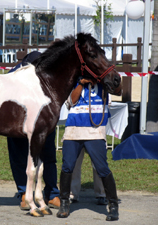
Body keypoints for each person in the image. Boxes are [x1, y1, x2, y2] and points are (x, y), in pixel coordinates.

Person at [57, 77, 119, 221]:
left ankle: (113, 205)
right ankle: (64, 203)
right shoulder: (74, 79)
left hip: (95, 130)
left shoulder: (104, 80)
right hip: (74, 129)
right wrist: (81, 83)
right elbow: (71, 101)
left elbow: (119, 90)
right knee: (67, 166)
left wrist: (111, 79)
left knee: (101, 167)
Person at [7, 51, 60, 210]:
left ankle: (51, 193)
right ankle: (23, 192)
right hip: (18, 122)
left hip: (43, 122)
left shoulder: (49, 73)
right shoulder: (14, 74)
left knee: (49, 156)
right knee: (18, 157)